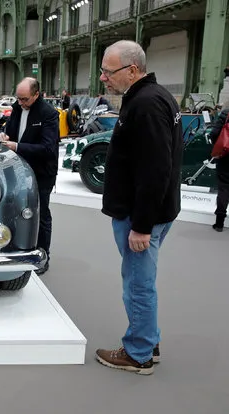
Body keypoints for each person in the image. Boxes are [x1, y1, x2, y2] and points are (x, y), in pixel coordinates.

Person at [95, 40, 183, 375]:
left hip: (141, 215)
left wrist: (142, 225)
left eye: (108, 71)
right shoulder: (155, 97)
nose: (103, 77)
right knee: (140, 280)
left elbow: (155, 170)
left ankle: (138, 353)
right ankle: (149, 340)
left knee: (137, 284)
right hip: (150, 211)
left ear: (132, 70)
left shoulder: (145, 105)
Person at [0, 77, 60, 275]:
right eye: (18, 99)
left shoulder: (49, 114)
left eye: (25, 99)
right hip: (17, 169)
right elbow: (10, 129)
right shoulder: (17, 107)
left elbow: (48, 148)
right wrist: (4, 135)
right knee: (11, 207)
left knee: (41, 213)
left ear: (36, 94)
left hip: (41, 172)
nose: (21, 103)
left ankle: (43, 255)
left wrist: (17, 146)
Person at [209, 99, 229, 231]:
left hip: (225, 157)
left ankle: (219, 223)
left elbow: (214, 133)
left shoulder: (226, 114)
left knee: (224, 188)